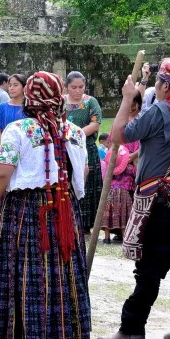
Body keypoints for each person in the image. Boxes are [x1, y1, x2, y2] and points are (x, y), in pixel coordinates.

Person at [97, 58, 170, 339]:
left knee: (150, 267)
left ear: (166, 86)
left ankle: (132, 330)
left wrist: (127, 98)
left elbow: (118, 136)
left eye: (160, 82)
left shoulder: (161, 111)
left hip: (164, 203)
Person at [0, 71, 91, 339]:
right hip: (64, 208)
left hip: (25, 210)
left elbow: (2, 171)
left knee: (14, 270)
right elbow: (83, 172)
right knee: (55, 273)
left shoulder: (19, 130)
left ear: (30, 97)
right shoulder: (74, 132)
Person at [64, 72, 103, 234]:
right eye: (73, 87)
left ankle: (87, 223)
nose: (78, 90)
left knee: (89, 185)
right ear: (67, 87)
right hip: (66, 150)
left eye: (81, 87)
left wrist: (74, 136)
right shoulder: (61, 102)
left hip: (87, 148)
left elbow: (95, 124)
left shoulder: (90, 102)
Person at [100, 135, 135, 244]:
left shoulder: (109, 170)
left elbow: (104, 178)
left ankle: (106, 238)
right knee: (124, 214)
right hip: (124, 193)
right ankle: (125, 237)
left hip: (110, 192)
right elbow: (136, 176)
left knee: (109, 214)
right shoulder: (130, 169)